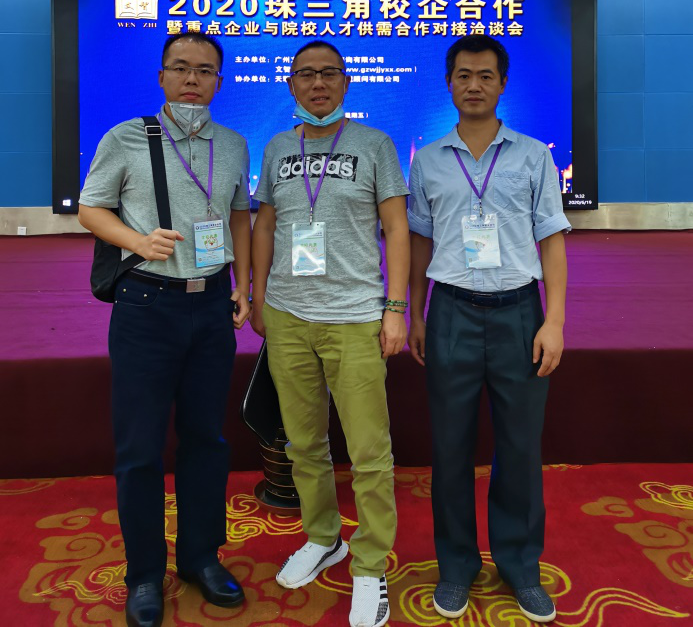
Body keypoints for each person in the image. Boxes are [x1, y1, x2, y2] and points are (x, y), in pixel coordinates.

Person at [78, 33, 251, 627]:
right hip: (147, 308)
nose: (192, 80)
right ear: (161, 76)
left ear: (219, 81)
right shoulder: (126, 137)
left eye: (205, 70)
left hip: (212, 308)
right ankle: (145, 574)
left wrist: (243, 285)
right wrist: (137, 241)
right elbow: (91, 208)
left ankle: (201, 557)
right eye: (180, 68)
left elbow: (238, 216)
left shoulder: (233, 144)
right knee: (140, 448)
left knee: (206, 440)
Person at [408, 34, 570, 625]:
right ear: (448, 83)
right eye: (463, 75)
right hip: (450, 310)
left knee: (520, 447)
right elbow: (420, 241)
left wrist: (554, 319)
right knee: (449, 447)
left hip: (519, 312)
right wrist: (416, 312)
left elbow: (551, 239)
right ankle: (456, 566)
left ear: (502, 84)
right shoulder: (428, 159)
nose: (473, 85)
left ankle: (520, 566)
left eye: (484, 75)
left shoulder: (532, 156)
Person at [251, 40, 410, 627]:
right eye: (306, 75)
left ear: (346, 82)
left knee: (369, 450)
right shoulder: (277, 147)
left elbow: (396, 228)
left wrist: (396, 307)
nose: (317, 84)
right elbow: (265, 224)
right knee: (303, 443)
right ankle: (323, 538)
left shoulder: (375, 144)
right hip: (288, 314)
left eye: (328, 74)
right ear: (291, 84)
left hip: (355, 315)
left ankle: (369, 564)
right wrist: (259, 295)